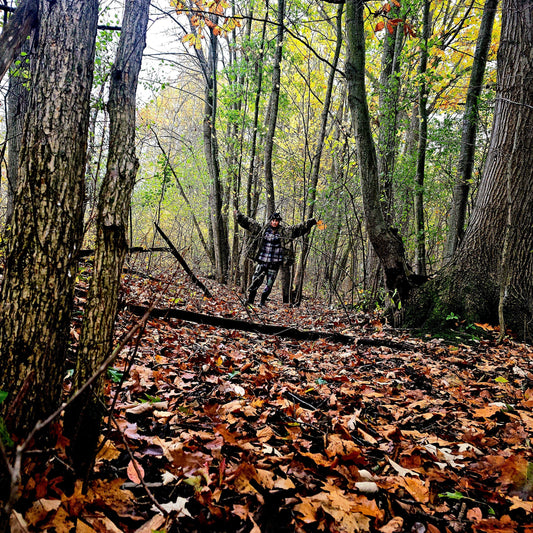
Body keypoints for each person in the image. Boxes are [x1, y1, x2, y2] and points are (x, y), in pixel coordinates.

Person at [235, 210, 317, 306]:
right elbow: (249, 223)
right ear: (270, 221)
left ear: (279, 222)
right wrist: (238, 215)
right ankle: (250, 300)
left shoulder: (284, 232)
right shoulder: (262, 230)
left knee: (269, 285)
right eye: (273, 220)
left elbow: (297, 229)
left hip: (274, 263)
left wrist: (311, 222)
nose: (275, 222)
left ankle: (262, 302)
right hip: (262, 261)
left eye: (276, 221)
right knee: (255, 281)